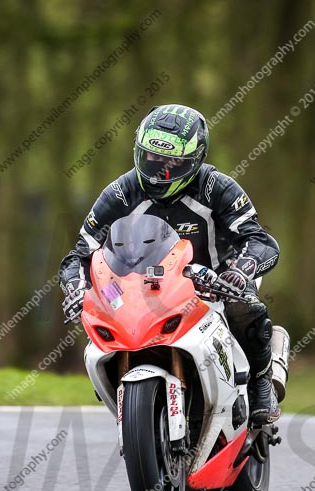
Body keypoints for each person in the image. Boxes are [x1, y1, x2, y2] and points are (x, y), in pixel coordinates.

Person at [59, 103, 280, 424]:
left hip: (215, 283)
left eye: (171, 161)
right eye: (151, 157)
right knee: (102, 313)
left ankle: (261, 381)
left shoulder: (215, 187)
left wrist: (239, 272)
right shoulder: (121, 193)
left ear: (194, 160)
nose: (158, 169)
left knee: (244, 307)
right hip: (146, 289)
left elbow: (262, 242)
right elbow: (79, 255)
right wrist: (77, 288)